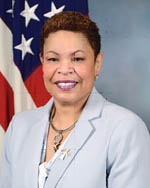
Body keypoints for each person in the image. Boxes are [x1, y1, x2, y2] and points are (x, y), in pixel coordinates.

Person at [0, 11, 150, 188]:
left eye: (77, 59)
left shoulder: (125, 129)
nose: (64, 69)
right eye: (53, 59)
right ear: (42, 62)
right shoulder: (19, 127)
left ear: (97, 63)